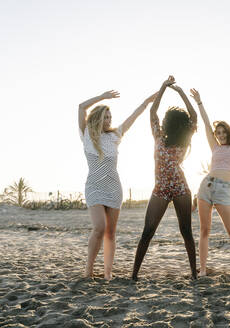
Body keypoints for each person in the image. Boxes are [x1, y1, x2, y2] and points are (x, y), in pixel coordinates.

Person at [79, 89, 157, 280]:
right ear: (97, 118)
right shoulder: (87, 134)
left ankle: (107, 273)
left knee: (111, 233)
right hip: (94, 187)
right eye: (105, 117)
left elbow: (134, 116)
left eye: (110, 117)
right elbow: (81, 107)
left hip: (113, 188)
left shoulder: (115, 136)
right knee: (99, 227)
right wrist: (102, 97)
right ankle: (88, 271)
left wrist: (146, 101)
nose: (109, 120)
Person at [132, 76, 198, 280]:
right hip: (160, 188)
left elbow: (193, 116)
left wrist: (180, 93)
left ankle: (194, 275)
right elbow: (153, 112)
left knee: (186, 230)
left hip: (180, 187)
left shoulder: (185, 138)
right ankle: (134, 274)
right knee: (148, 231)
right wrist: (162, 87)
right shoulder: (158, 136)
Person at [189, 88, 230, 278]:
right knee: (204, 230)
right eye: (219, 133)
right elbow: (207, 126)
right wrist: (199, 102)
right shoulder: (214, 146)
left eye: (224, 132)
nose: (221, 134)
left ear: (229, 132)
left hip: (224, 191)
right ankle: (202, 270)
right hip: (206, 187)